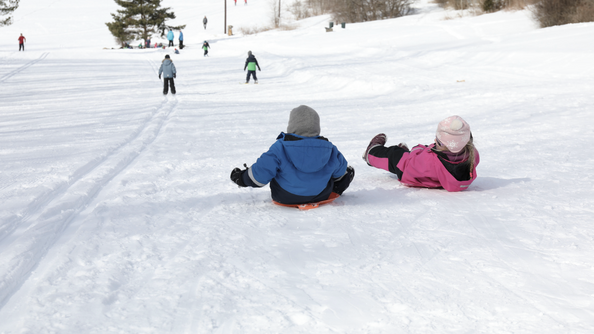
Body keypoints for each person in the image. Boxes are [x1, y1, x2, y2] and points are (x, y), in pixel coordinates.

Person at [230, 105, 355, 205]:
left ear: (292, 125)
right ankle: (336, 186)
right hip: (321, 195)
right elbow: (339, 174)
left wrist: (241, 177)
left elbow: (259, 176)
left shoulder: (280, 147)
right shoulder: (330, 148)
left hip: (285, 196)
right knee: (344, 173)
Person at [362, 115, 479, 192]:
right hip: (433, 176)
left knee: (394, 154)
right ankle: (403, 152)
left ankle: (371, 153)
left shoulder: (428, 160)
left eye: (437, 141)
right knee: (408, 153)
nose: (434, 141)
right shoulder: (473, 155)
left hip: (409, 172)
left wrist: (416, 149)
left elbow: (413, 159)